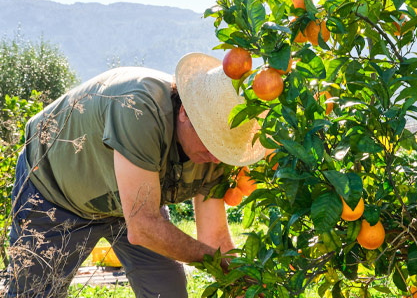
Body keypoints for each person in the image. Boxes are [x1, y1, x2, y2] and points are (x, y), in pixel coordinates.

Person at [3, 52, 264, 298]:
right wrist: (223, 265)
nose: (217, 158)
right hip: (54, 192)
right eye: (212, 141)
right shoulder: (140, 109)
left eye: (224, 147)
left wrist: (242, 282)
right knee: (33, 291)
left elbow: (214, 238)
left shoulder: (219, 154)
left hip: (133, 202)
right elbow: (144, 227)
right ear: (185, 112)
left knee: (168, 290)